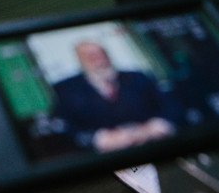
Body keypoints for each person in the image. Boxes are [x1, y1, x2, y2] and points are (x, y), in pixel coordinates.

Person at [51, 40, 179, 152]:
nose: (98, 59)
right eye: (90, 56)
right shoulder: (65, 89)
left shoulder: (138, 77)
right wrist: (98, 138)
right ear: (80, 60)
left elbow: (170, 105)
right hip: (103, 158)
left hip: (154, 145)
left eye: (100, 53)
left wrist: (158, 126)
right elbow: (63, 126)